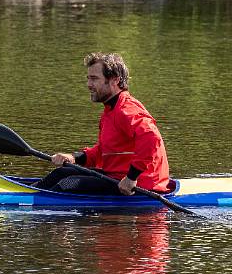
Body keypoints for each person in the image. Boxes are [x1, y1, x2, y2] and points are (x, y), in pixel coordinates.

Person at [35, 52, 171, 195]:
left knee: (68, 183)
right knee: (61, 173)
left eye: (94, 79)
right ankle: (28, 193)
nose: (88, 84)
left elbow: (151, 138)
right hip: (115, 176)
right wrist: (74, 157)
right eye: (88, 79)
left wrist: (131, 177)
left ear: (115, 80)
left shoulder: (127, 110)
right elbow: (104, 151)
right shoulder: (110, 110)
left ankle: (31, 203)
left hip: (141, 185)